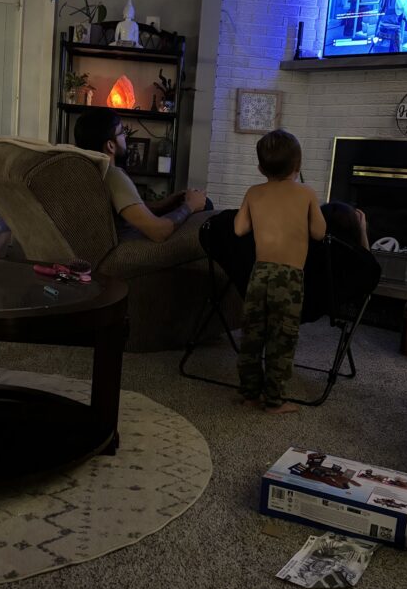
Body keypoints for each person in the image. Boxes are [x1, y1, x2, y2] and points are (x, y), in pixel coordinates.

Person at [233, 129, 326, 414]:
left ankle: (249, 395)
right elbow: (319, 233)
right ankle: (274, 400)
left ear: (261, 167)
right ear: (298, 166)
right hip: (290, 278)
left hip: (260, 274)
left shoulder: (254, 192)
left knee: (252, 336)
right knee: (282, 339)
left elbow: (239, 229)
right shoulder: (306, 194)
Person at [73, 107, 208, 243]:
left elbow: (127, 210)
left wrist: (164, 204)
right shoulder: (113, 176)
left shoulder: (92, 172)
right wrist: (191, 205)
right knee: (207, 209)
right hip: (135, 245)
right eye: (122, 132)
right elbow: (159, 232)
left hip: (127, 237)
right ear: (110, 146)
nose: (125, 137)